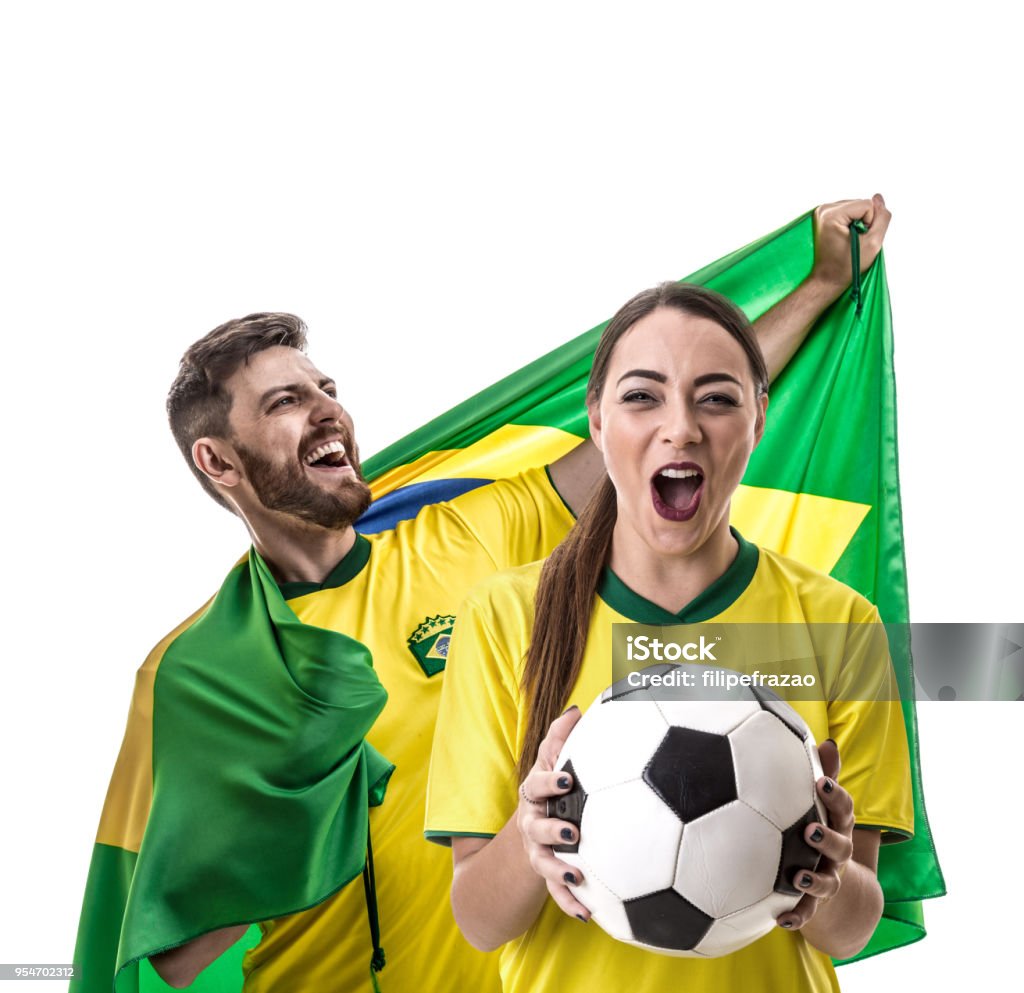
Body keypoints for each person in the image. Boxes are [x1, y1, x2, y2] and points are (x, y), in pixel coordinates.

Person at [73, 196, 891, 993]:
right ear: (219, 462)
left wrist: (818, 287)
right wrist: (305, 819)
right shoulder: (193, 672)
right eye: (287, 402)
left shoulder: (469, 539)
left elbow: (656, 439)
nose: (330, 412)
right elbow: (172, 951)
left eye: (327, 388)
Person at [424, 278, 913, 992]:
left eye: (716, 398)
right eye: (642, 395)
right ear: (597, 420)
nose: (680, 427)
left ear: (758, 420)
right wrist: (525, 843)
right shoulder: (503, 614)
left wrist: (829, 877)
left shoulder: (843, 623)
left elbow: (852, 926)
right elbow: (479, 919)